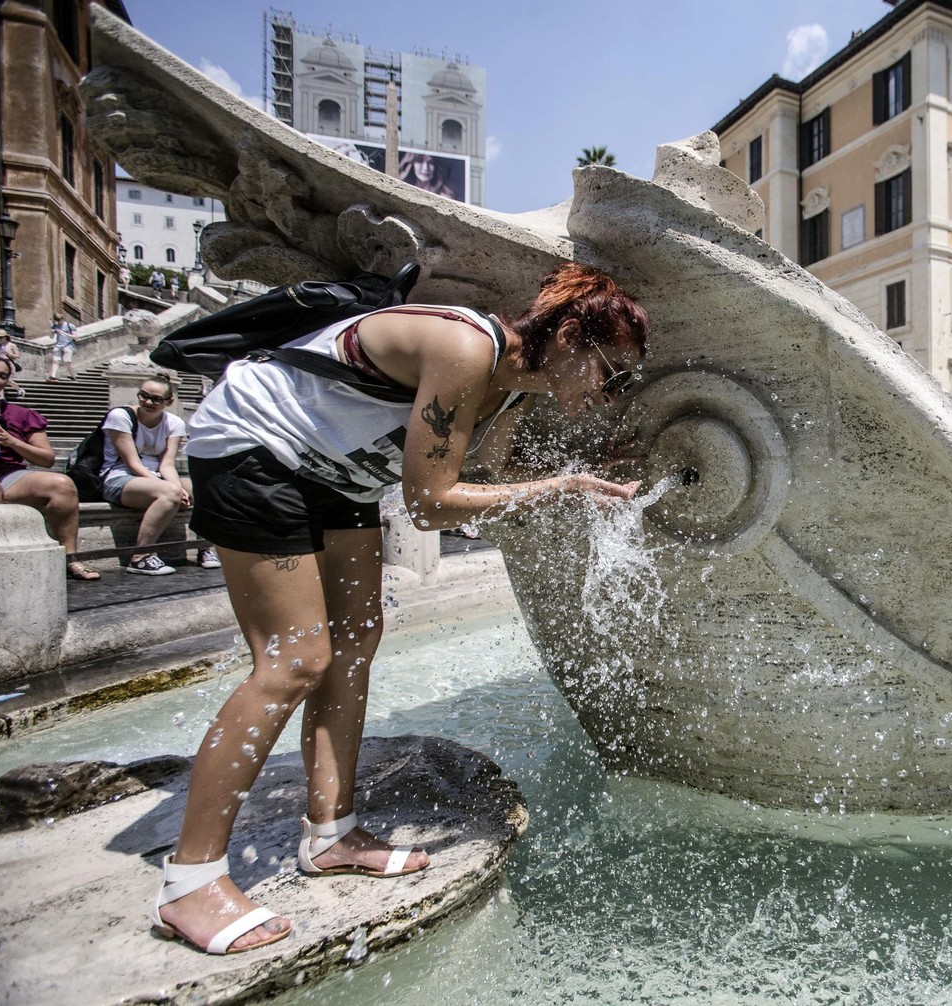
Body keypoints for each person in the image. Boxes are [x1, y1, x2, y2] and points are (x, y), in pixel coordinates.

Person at [150, 263, 649, 956]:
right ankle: (191, 879)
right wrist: (562, 486)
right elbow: (429, 501)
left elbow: (487, 480)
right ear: (569, 337)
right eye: (612, 375)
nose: (612, 395)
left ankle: (330, 832)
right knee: (296, 659)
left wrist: (595, 472)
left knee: (357, 636)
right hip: (256, 448)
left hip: (334, 474)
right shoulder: (468, 348)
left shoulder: (506, 390)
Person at [0, 356, 101, 580]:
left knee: (62, 485)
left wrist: (12, 441)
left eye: (2, 376)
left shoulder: (21, 415)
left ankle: (69, 558)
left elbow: (46, 459)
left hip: (10, 475)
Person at [100, 376, 216, 574]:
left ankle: (206, 548)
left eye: (156, 399)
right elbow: (132, 462)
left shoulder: (174, 423)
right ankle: (140, 556)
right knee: (170, 493)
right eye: (143, 396)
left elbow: (167, 464)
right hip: (118, 478)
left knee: (206, 487)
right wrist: (173, 489)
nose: (148, 402)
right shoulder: (120, 416)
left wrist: (178, 487)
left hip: (156, 478)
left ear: (169, 402)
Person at [49, 315, 78, 381]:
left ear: (62, 319)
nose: (59, 322)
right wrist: (51, 331)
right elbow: (51, 337)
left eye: (59, 320)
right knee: (55, 360)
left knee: (67, 361)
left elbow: (75, 337)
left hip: (68, 345)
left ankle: (73, 376)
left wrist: (63, 332)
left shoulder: (70, 326)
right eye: (57, 321)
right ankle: (52, 376)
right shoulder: (55, 326)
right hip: (58, 345)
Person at [0, 329, 22, 398]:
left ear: (5, 337)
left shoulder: (11, 345)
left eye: (0, 337)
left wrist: (9, 354)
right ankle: (2, 398)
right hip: (0, 365)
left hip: (9, 364)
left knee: (8, 380)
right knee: (0, 380)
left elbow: (17, 355)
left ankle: (19, 389)